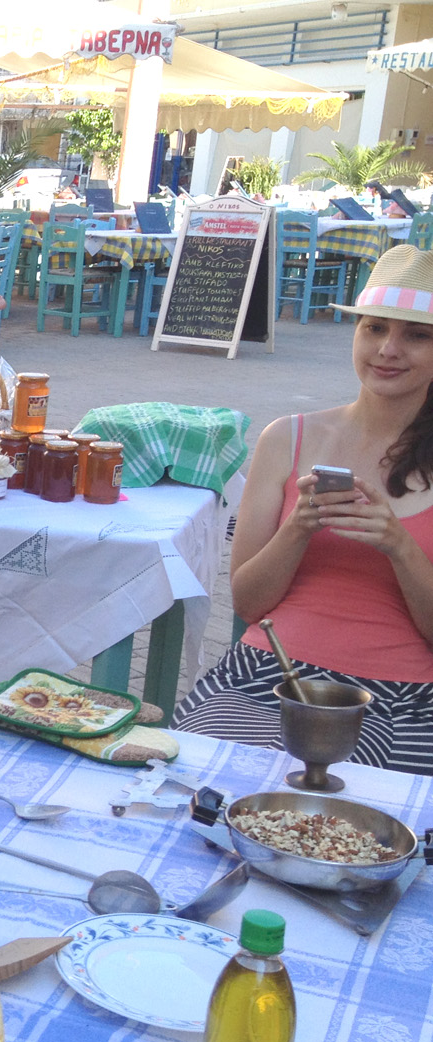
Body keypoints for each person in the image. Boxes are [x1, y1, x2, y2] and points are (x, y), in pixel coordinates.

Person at [174, 244, 433, 772]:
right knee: (200, 788)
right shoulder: (288, 438)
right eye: (374, 328)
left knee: (348, 823)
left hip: (402, 702)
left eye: (417, 335)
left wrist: (398, 545)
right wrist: (300, 526)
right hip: (268, 676)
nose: (388, 349)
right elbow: (249, 602)